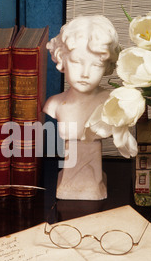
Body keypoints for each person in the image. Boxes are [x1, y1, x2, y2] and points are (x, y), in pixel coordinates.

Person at [43, 15, 120, 200]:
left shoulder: (112, 104)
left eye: (96, 65)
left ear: (107, 66)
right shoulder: (53, 104)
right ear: (61, 58)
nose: (85, 73)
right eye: (77, 62)